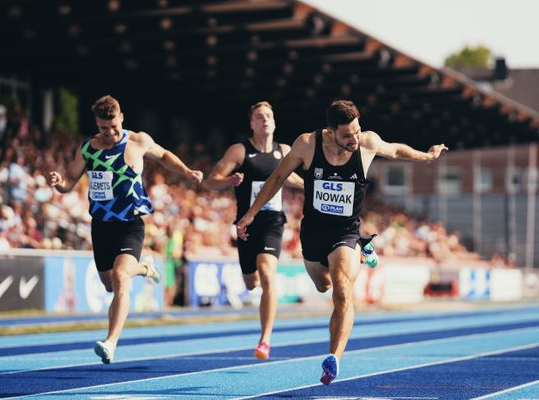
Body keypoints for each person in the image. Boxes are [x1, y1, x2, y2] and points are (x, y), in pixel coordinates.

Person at [236, 100, 447, 383]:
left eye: (356, 131)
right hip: (313, 234)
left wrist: (427, 156)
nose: (354, 139)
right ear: (330, 131)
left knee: (343, 290)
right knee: (322, 284)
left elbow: (395, 149)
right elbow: (276, 179)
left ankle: (333, 358)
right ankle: (362, 252)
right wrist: (250, 214)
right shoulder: (307, 144)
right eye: (347, 135)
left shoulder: (367, 142)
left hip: (346, 232)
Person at [46, 95, 203, 364]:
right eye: (103, 128)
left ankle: (111, 342)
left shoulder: (137, 141)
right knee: (109, 285)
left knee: (120, 277)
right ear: (97, 124)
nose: (109, 133)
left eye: (113, 127)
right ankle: (144, 268)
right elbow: (70, 180)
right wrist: (59, 183)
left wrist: (187, 171)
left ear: (121, 117)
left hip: (130, 224)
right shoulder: (88, 148)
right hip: (101, 226)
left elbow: (164, 155)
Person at [203, 101, 303, 360]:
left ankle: (265, 340)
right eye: (259, 117)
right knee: (251, 281)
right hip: (246, 223)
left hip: (272, 222)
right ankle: (253, 282)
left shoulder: (285, 151)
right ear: (252, 124)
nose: (265, 120)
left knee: (268, 275)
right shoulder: (239, 151)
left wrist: (314, 188)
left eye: (268, 116)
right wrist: (228, 180)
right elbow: (210, 182)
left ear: (274, 121)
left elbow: (293, 179)